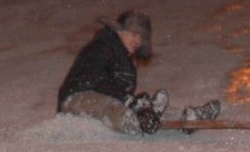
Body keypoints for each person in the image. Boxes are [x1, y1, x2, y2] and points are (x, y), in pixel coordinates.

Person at [57, 10, 220, 135]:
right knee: (113, 106)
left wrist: (138, 104)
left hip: (105, 101)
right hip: (75, 100)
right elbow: (94, 79)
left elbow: (119, 92)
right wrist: (128, 101)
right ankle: (133, 122)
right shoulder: (103, 46)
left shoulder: (126, 59)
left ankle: (184, 116)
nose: (137, 41)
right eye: (133, 34)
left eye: (141, 37)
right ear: (119, 31)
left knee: (139, 108)